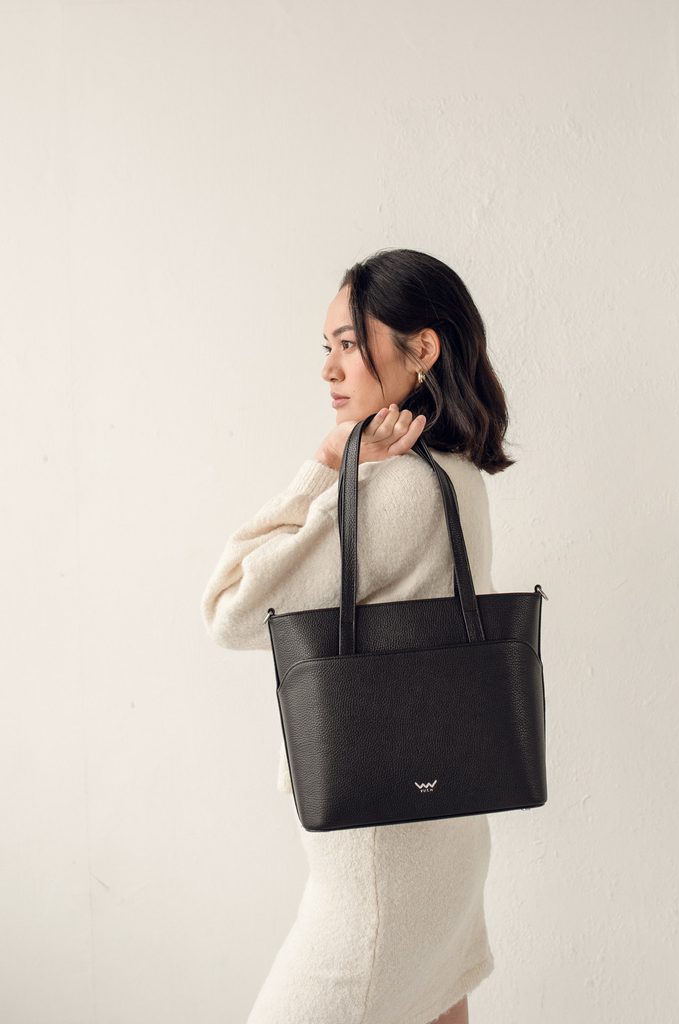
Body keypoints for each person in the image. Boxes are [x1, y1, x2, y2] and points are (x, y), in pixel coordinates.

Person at [201, 248, 516, 1024]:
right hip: (446, 845)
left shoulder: (392, 488)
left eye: (348, 343)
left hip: (377, 876)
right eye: (328, 347)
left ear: (421, 348)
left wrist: (324, 463)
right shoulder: (456, 473)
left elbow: (230, 607)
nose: (330, 369)